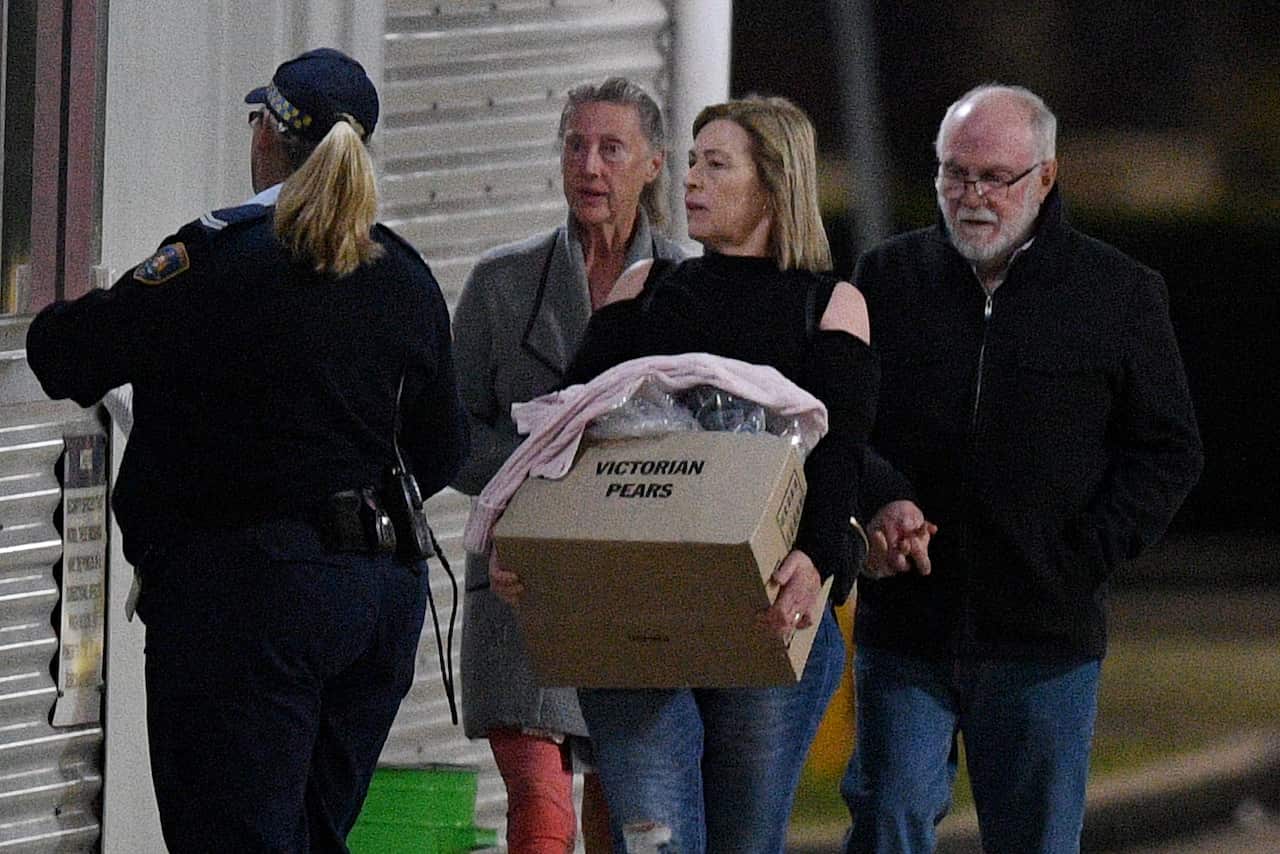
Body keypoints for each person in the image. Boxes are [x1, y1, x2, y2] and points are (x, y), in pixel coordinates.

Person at [26, 48, 468, 852]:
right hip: (374, 603)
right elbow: (443, 449)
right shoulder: (404, 275)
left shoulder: (220, 259)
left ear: (267, 132)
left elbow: (68, 355)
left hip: (245, 604)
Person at [492, 95, 878, 853]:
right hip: (631, 612)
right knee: (655, 837)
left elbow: (841, 453)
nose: (692, 180)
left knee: (744, 840)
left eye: (716, 164)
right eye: (693, 161)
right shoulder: (645, 292)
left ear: (773, 183)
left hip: (766, 611)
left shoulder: (830, 306)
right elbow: (564, 432)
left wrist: (817, 562)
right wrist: (520, 532)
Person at [840, 84, 1204, 853]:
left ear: (1044, 177)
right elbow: (838, 424)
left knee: (1035, 840)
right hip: (907, 626)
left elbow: (1168, 451)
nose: (971, 197)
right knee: (886, 820)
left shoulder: (1118, 293)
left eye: (994, 178)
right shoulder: (886, 279)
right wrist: (882, 499)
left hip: (1044, 638)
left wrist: (1078, 558)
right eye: (953, 174)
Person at [451, 76, 684, 853]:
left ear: (652, 164)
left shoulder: (687, 288)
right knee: (540, 808)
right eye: (575, 145)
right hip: (520, 586)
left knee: (621, 811)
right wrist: (544, 469)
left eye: (611, 148)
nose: (589, 164)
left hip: (634, 584)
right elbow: (450, 435)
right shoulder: (500, 282)